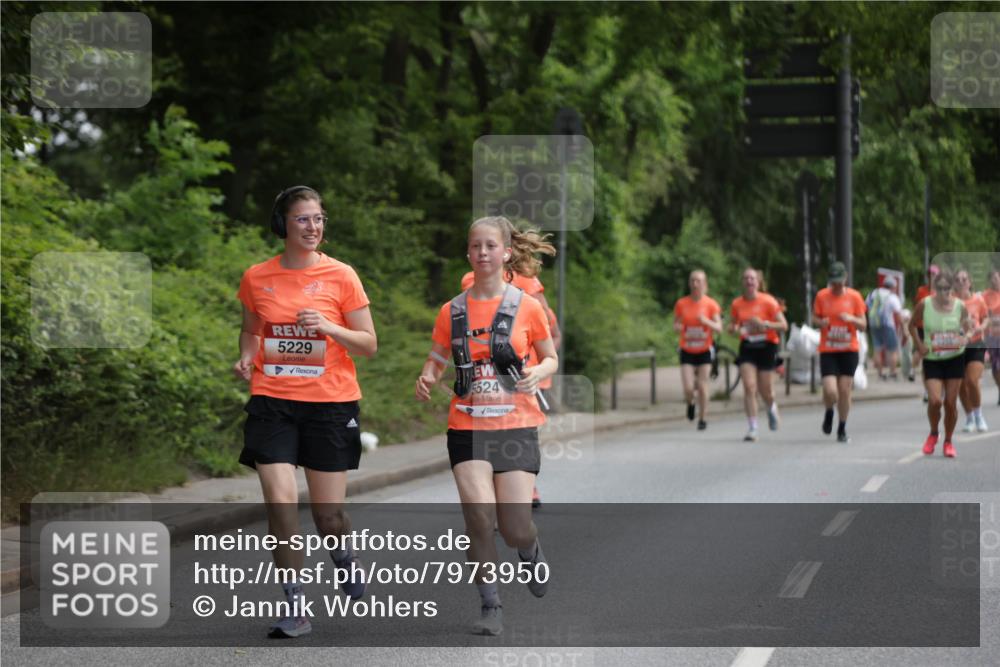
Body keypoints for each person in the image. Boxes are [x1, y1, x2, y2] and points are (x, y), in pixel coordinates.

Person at [234, 185, 377, 638]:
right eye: (303, 219)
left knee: (328, 517)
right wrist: (245, 355)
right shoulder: (258, 277)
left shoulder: (342, 275)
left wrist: (329, 326)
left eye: (318, 219)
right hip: (273, 401)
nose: (313, 227)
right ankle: (295, 608)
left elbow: (369, 345)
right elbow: (250, 329)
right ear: (283, 224)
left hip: (330, 405)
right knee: (280, 502)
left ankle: (343, 557)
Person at [416, 216, 558, 636]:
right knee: (478, 516)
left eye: (490, 246)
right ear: (468, 253)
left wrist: (539, 372)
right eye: (475, 246)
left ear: (506, 252)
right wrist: (427, 376)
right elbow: (437, 356)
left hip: (516, 426)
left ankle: (529, 549)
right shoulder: (452, 310)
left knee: (514, 527)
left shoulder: (527, 306)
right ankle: (490, 603)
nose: (482, 253)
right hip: (467, 425)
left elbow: (550, 355)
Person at [461, 263, 562, 509]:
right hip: (486, 375)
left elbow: (550, 328)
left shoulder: (528, 281)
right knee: (490, 434)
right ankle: (493, 494)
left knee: (518, 430)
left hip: (526, 376)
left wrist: (537, 364)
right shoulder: (469, 279)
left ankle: (525, 485)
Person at [909, 269, 971, 458]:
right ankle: (934, 433)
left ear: (953, 288)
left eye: (947, 288)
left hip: (954, 358)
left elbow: (968, 327)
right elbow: (911, 325)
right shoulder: (924, 304)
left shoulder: (960, 306)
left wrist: (965, 338)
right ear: (934, 288)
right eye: (940, 288)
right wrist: (919, 346)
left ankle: (948, 441)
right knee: (935, 401)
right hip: (932, 359)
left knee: (951, 403)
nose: (943, 292)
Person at [729, 267, 788, 442]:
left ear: (758, 282)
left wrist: (765, 324)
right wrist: (735, 328)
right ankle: (753, 427)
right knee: (749, 386)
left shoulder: (768, 301)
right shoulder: (737, 304)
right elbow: (732, 326)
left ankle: (771, 407)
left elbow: (783, 326)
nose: (749, 281)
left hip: (767, 346)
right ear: (742, 282)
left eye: (752, 278)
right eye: (746, 278)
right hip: (747, 347)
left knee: (766, 389)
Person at [811, 261, 867, 443]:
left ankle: (842, 428)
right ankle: (829, 411)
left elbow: (864, 325)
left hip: (848, 350)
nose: (836, 286)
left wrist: (851, 318)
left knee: (844, 390)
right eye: (833, 282)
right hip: (828, 349)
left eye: (839, 282)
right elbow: (814, 318)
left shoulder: (855, 297)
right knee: (830, 390)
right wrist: (821, 323)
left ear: (845, 279)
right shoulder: (821, 296)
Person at [673, 269, 723, 430]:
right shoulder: (682, 303)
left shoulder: (711, 304)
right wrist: (679, 327)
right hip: (687, 349)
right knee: (688, 388)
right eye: (692, 281)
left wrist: (706, 321)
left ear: (704, 284)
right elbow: (675, 325)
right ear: (689, 284)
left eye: (698, 281)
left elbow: (719, 328)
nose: (695, 284)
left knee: (702, 385)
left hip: (704, 350)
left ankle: (702, 418)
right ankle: (690, 403)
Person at [954, 269, 989, 432]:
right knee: (960, 384)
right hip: (957, 346)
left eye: (964, 279)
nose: (961, 282)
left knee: (972, 380)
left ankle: (978, 415)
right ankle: (969, 417)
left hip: (976, 343)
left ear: (970, 282)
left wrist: (981, 326)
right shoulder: (950, 301)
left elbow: (986, 317)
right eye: (958, 280)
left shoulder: (978, 300)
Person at [866, 276, 904, 380]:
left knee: (877, 349)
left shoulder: (873, 293)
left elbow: (866, 307)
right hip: (888, 325)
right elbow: (898, 314)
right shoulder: (892, 296)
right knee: (892, 350)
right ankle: (892, 372)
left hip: (874, 325)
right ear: (892, 287)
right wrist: (904, 328)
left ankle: (880, 373)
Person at [983, 268, 1000, 406]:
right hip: (992, 336)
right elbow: (983, 315)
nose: (995, 281)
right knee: (995, 368)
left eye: (997, 278)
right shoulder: (985, 296)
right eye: (992, 279)